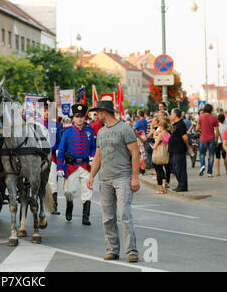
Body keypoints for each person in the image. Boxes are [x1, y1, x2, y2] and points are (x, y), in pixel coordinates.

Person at [86, 100, 140, 263]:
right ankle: (112, 250)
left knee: (124, 214)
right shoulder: (101, 132)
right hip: (105, 179)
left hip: (123, 178)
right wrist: (91, 176)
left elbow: (135, 153)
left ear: (104, 112)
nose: (96, 115)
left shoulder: (125, 128)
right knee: (107, 217)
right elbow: (98, 156)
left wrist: (135, 177)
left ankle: (131, 251)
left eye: (97, 112)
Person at [57, 104, 96, 224]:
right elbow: (61, 150)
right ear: (73, 118)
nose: (79, 119)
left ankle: (86, 217)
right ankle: (69, 205)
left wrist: (93, 157)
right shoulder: (67, 132)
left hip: (85, 166)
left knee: (87, 191)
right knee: (69, 191)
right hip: (70, 166)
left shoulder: (90, 131)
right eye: (77, 117)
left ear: (85, 118)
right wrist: (59, 166)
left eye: (81, 117)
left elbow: (94, 148)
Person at [37, 96, 62, 215]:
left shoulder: (56, 126)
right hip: (35, 158)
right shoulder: (33, 124)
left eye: (48, 110)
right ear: (39, 110)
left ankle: (53, 206)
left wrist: (57, 150)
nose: (46, 112)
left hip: (51, 158)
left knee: (52, 182)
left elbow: (60, 142)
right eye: (44, 109)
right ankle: (35, 203)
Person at [196, 104, 220, 177]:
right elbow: (217, 130)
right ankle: (209, 172)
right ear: (211, 110)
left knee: (202, 153)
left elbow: (197, 129)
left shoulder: (201, 117)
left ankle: (203, 165)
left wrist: (201, 131)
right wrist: (216, 139)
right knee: (211, 155)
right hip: (212, 138)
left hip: (203, 138)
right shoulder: (214, 118)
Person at [169, 108, 189, 192]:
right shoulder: (176, 124)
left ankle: (183, 186)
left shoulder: (181, 124)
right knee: (174, 168)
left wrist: (187, 146)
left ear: (175, 115)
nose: (170, 116)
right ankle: (180, 184)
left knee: (179, 168)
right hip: (174, 150)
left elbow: (185, 137)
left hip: (179, 150)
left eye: (171, 114)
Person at [151, 117, 172, 194]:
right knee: (163, 170)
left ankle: (160, 189)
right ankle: (165, 183)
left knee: (158, 170)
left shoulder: (160, 135)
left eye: (159, 126)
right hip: (165, 153)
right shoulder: (168, 134)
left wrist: (151, 145)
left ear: (161, 126)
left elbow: (155, 146)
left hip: (158, 154)